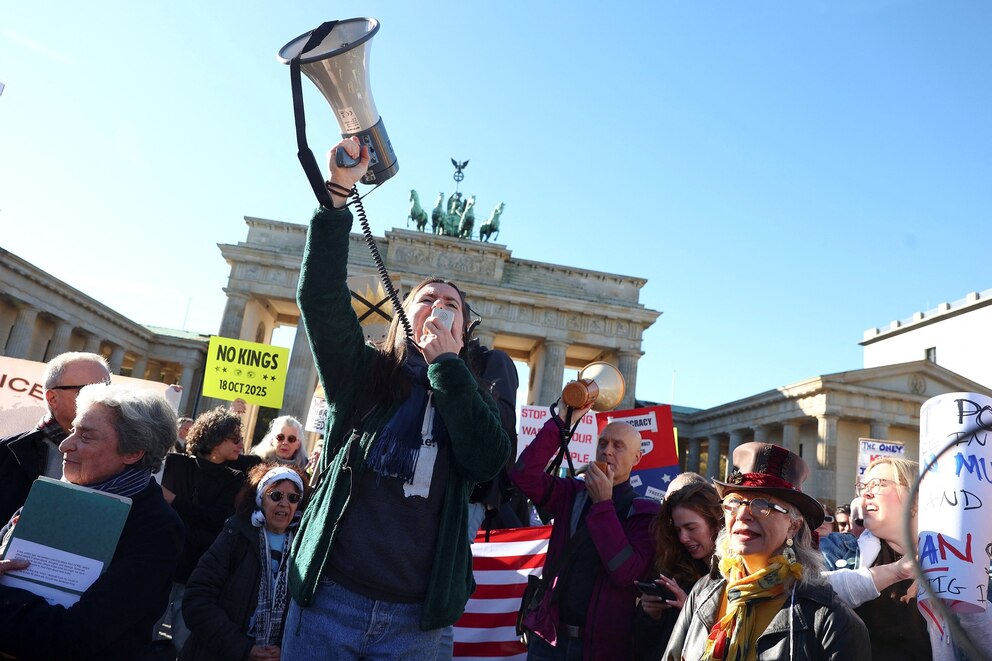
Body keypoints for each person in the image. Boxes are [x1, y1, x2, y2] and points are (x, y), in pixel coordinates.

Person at [281, 137, 511, 658]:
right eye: (426, 298)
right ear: (402, 315)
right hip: (330, 601)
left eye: (452, 303)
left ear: (465, 326)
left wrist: (447, 368)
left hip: (417, 621)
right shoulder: (362, 373)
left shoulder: (475, 394)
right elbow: (319, 298)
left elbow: (487, 459)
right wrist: (337, 197)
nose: (438, 306)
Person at [0, 384, 184, 660]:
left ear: (133, 452)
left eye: (85, 436)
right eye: (73, 430)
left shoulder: (157, 528)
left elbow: (73, 637)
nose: (65, 444)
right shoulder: (54, 495)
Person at [663, 442, 870, 661]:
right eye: (734, 502)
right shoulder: (704, 593)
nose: (742, 515)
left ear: (793, 526)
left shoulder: (829, 619)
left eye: (761, 505)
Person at [510, 408, 660, 661]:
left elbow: (624, 572)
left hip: (601, 649)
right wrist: (561, 423)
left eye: (618, 446)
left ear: (637, 458)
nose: (607, 450)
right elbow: (524, 476)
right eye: (603, 443)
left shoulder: (645, 514)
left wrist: (603, 503)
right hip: (550, 639)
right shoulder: (573, 492)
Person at [181, 463, 309, 661]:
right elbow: (197, 599)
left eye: (293, 498)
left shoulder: (305, 546)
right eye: (275, 496)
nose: (284, 503)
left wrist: (284, 648)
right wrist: (242, 648)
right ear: (260, 499)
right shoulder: (236, 534)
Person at [819, 457, 932, 660]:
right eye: (863, 487)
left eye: (878, 485)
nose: (866, 494)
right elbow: (810, 591)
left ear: (915, 497)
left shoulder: (952, 559)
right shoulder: (837, 548)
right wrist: (896, 571)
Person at [160, 406, 248, 651]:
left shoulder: (236, 479)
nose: (241, 444)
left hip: (197, 576)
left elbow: (220, 521)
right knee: (142, 635)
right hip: (163, 565)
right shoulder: (176, 464)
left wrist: (176, 502)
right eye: (235, 438)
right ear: (215, 438)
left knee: (184, 643)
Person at [0, 351, 111, 523]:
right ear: (52, 398)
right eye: (88, 390)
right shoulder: (6, 453)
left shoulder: (124, 456)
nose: (103, 399)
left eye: (107, 389)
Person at [633, 481, 723, 661]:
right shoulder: (671, 568)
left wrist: (691, 613)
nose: (683, 538)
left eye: (691, 528)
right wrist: (651, 615)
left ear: (715, 523)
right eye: (678, 530)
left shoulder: (735, 572)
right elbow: (643, 644)